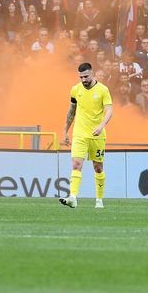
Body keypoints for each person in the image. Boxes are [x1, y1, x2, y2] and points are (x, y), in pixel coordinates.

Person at [59, 62, 113, 209]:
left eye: (86, 76)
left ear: (93, 74)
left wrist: (101, 126)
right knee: (76, 164)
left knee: (98, 167)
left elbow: (109, 111)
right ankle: (73, 197)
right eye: (81, 77)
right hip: (80, 133)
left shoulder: (103, 90)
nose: (83, 80)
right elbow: (71, 111)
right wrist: (65, 131)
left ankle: (99, 200)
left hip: (97, 135)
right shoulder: (75, 90)